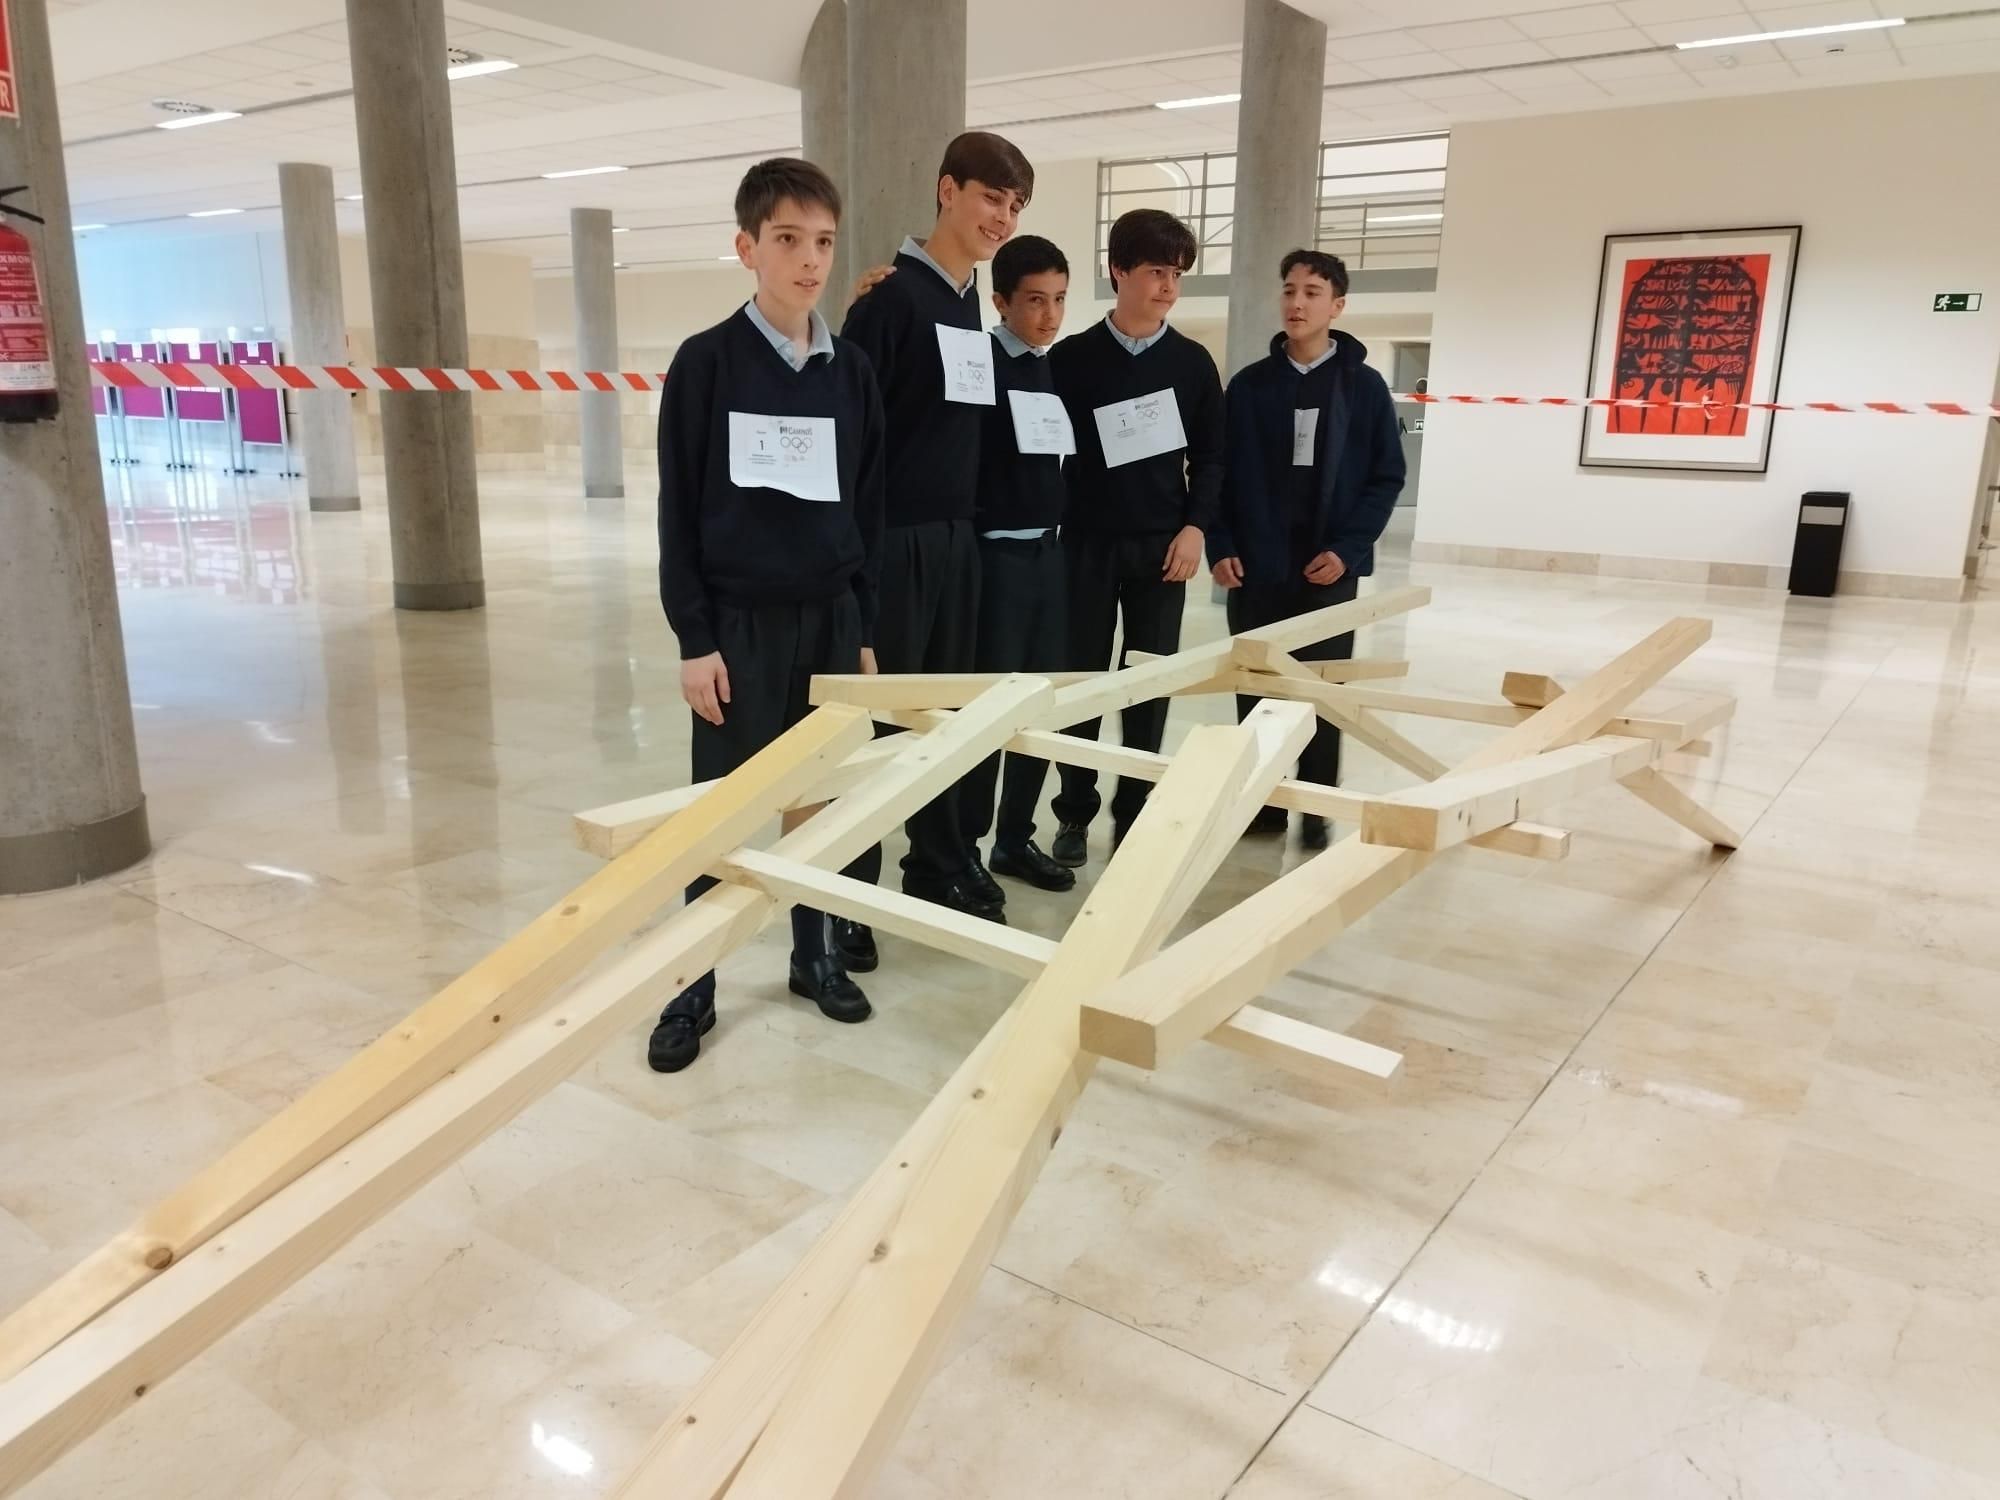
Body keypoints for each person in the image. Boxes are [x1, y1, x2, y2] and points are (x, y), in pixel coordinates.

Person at [648, 156, 886, 1074]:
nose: (809, 260)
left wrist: (862, 626)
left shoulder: (851, 372)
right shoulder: (707, 365)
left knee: (817, 800)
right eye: (787, 240)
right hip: (739, 628)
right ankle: (693, 980)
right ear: (748, 247)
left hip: (828, 619)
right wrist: (694, 636)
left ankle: (812, 953)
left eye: (823, 242)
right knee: (719, 810)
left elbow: (863, 509)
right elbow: (678, 509)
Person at [840, 130, 1034, 930]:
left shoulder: (967, 311)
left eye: (1015, 206)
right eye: (992, 198)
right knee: (874, 723)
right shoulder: (887, 303)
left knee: (945, 716)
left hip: (959, 543)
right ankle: (850, 889)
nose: (1003, 218)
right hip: (892, 544)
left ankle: (937, 859)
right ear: (947, 190)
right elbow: (850, 445)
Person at [1207, 249, 1406, 850]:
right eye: (1289, 290)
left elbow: (1385, 478)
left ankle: (1317, 804)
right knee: (1257, 686)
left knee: (1322, 688)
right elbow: (1216, 472)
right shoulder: (1248, 387)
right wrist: (1220, 544)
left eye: (1312, 292)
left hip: (1327, 570)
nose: (1297, 302)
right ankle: (1264, 802)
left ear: (1337, 306)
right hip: (1256, 566)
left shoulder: (1365, 389)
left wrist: (1348, 550)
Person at [1046, 208, 1223, 868]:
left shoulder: (1192, 364)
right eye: (1155, 272)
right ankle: (1073, 814)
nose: (1169, 287)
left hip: (1161, 550)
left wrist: (1195, 527)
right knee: (1082, 685)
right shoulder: (1071, 361)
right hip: (1084, 545)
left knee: (1148, 685)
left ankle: (1135, 814)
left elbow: (1212, 456)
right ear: (1119, 271)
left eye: (1176, 274)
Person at [959, 234, 1076, 893]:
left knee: (1041, 704)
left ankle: (1014, 838)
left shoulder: (1046, 364)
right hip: (995, 558)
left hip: (1047, 557)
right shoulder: (982, 365)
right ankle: (969, 847)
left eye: (1059, 300)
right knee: (988, 711)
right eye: (1035, 301)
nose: (1049, 316)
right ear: (1000, 300)